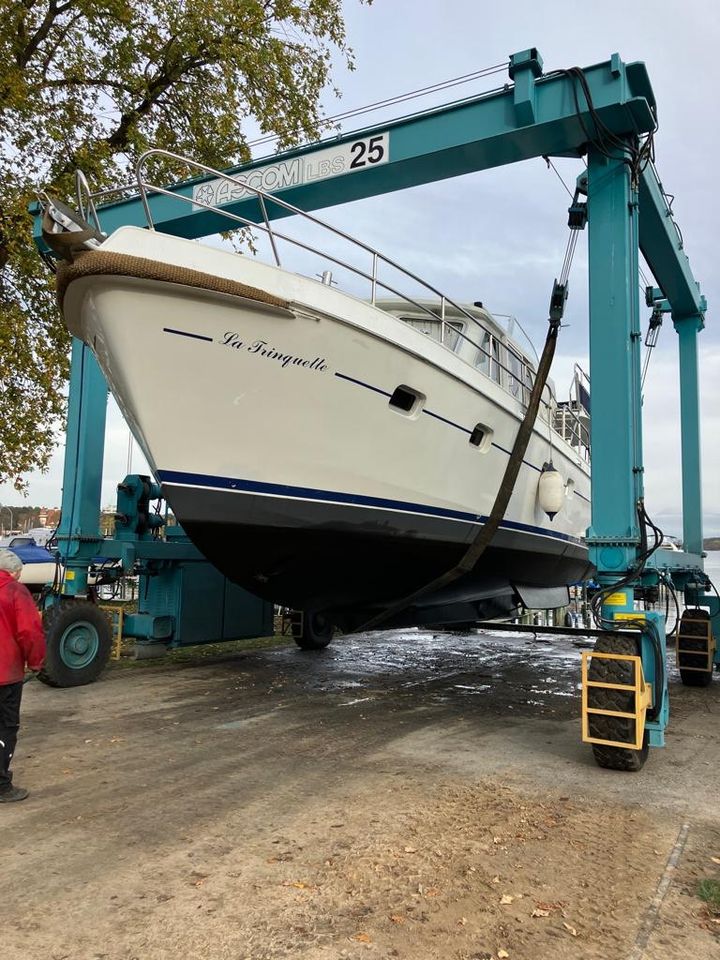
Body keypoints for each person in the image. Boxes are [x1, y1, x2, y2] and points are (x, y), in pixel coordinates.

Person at [0, 549, 46, 802]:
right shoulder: (15, 591)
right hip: (5, 675)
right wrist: (37, 662)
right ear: (14, 572)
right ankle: (1, 786)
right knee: (5, 727)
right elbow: (29, 631)